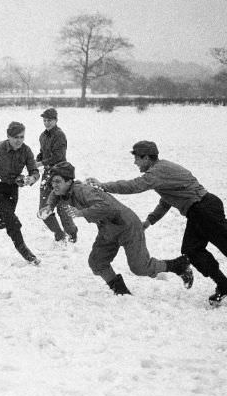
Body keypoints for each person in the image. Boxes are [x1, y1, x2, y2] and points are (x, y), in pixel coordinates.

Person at [88, 140, 227, 307]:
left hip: (204, 209)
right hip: (199, 211)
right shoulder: (161, 171)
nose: (135, 162)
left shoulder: (157, 172)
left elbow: (134, 186)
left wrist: (103, 186)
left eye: (137, 158)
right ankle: (224, 285)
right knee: (191, 250)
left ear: (146, 158)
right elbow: (166, 201)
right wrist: (150, 221)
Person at [44, 162, 193, 295]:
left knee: (140, 267)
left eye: (57, 181)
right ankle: (121, 292)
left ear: (69, 181)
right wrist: (49, 206)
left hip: (127, 225)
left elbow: (105, 206)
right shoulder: (63, 191)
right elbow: (54, 195)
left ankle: (178, 265)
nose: (54, 185)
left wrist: (81, 213)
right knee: (97, 262)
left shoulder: (83, 191)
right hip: (107, 229)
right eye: (52, 182)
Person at [0, 121, 41, 265]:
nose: (19, 140)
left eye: (22, 137)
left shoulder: (26, 151)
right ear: (8, 137)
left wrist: (31, 178)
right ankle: (25, 252)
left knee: (5, 220)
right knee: (12, 222)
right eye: (15, 137)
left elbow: (34, 171)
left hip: (12, 189)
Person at [36, 108, 77, 243]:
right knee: (43, 209)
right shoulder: (42, 136)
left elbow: (58, 157)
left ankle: (72, 234)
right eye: (45, 120)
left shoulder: (59, 135)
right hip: (47, 175)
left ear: (56, 120)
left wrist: (42, 162)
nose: (47, 123)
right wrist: (35, 161)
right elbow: (42, 153)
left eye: (50, 120)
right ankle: (59, 234)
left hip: (61, 175)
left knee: (62, 208)